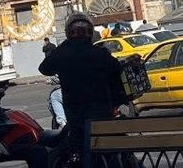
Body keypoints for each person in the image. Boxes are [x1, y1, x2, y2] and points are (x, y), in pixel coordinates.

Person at [39, 12, 124, 156]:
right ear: (90, 33)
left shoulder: (63, 53)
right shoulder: (100, 53)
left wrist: (64, 48)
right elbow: (118, 69)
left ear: (68, 33)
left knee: (56, 155)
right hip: (104, 119)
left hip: (77, 122)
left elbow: (44, 68)